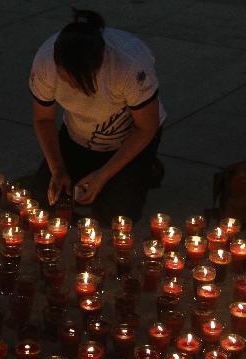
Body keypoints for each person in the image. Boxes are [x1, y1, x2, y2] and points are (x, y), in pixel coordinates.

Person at [29, 9, 166, 223]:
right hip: (78, 136)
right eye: (68, 80)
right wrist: (57, 169)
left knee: (115, 215)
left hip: (130, 140)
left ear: (99, 64)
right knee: (42, 199)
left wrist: (102, 176)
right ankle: (101, 171)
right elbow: (43, 119)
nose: (74, 88)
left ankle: (146, 168)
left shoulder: (128, 66)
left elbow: (147, 127)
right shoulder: (46, 63)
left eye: (81, 81)